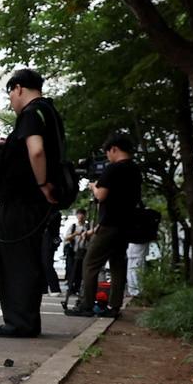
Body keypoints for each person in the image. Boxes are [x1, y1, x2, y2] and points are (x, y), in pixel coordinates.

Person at [0, 68, 67, 338]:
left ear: (18, 88)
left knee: (16, 260)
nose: (11, 101)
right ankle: (26, 320)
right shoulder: (50, 112)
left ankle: (18, 322)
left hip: (23, 200)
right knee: (29, 260)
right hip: (33, 203)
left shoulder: (31, 113)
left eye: (11, 94)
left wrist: (42, 183)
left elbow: (36, 150)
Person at [69, 133, 141, 317]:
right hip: (126, 225)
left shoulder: (113, 169)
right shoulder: (135, 169)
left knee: (90, 263)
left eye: (108, 152)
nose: (107, 156)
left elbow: (101, 195)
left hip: (109, 224)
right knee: (118, 264)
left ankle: (86, 305)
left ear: (114, 149)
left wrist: (94, 186)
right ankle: (114, 306)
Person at [63, 208, 88, 298]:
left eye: (82, 214)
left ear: (85, 216)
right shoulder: (73, 226)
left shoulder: (87, 227)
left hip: (82, 252)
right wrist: (75, 234)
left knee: (79, 271)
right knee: (70, 270)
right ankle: (70, 288)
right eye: (79, 214)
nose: (80, 216)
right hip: (72, 251)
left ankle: (76, 289)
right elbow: (66, 238)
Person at [42, 219, 62, 294]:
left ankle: (55, 288)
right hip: (44, 240)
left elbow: (53, 228)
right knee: (43, 265)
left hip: (48, 241)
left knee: (47, 265)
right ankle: (44, 288)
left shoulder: (54, 214)